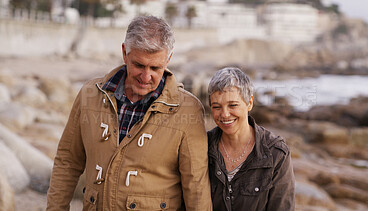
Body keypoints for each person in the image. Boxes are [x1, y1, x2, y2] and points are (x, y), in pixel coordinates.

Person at [46, 15, 212, 210]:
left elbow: (196, 186)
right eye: (139, 65)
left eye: (155, 67)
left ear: (168, 59)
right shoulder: (89, 95)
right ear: (125, 52)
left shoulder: (188, 110)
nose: (146, 76)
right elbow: (67, 161)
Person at [207, 67, 295, 211]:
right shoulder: (202, 147)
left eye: (232, 105)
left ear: (249, 103)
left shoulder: (276, 154)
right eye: (216, 107)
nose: (225, 114)